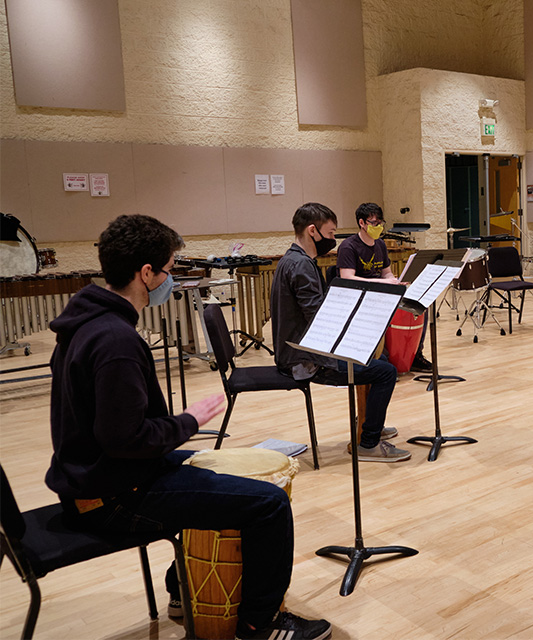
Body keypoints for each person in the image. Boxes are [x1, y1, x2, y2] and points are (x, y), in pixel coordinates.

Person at [45, 214, 331, 640]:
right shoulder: (114, 340)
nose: (170, 279)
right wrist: (190, 421)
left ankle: (182, 589)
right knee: (268, 504)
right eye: (169, 269)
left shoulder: (85, 323)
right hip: (110, 494)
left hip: (97, 477)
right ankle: (260, 623)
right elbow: (125, 439)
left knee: (218, 472)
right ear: (146, 274)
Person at [271, 202, 410, 462]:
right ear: (313, 231)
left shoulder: (294, 259)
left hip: (302, 349)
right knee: (385, 371)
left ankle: (371, 426)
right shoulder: (301, 266)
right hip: (304, 360)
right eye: (332, 233)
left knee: (377, 359)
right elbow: (320, 319)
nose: (334, 239)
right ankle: (368, 444)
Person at [337, 202, 434, 373]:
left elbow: (386, 273)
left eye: (380, 222)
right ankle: (386, 360)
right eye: (374, 223)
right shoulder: (348, 246)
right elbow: (347, 278)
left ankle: (415, 355)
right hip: (360, 296)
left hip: (381, 292)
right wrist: (384, 283)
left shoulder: (380, 245)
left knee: (418, 305)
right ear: (362, 223)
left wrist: (395, 280)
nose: (378, 226)